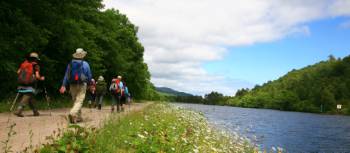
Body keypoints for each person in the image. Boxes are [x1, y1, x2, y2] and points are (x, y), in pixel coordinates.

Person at [59, 48, 92, 123]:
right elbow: (89, 76)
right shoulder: (85, 64)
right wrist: (90, 84)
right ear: (83, 55)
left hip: (72, 84)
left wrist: (64, 85)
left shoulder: (70, 64)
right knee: (79, 101)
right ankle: (72, 113)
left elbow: (66, 75)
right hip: (82, 84)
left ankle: (78, 118)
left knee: (75, 101)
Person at [14, 52, 45, 117]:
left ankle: (35, 112)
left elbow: (18, 72)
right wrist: (41, 78)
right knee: (26, 96)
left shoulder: (24, 64)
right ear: (35, 59)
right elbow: (37, 76)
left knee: (31, 98)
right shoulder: (35, 65)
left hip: (21, 83)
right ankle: (19, 110)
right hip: (30, 85)